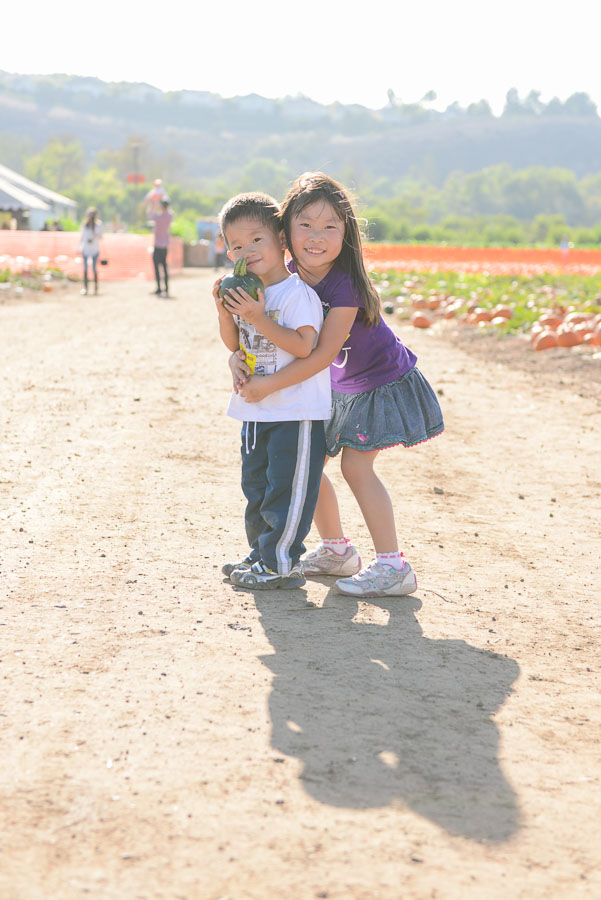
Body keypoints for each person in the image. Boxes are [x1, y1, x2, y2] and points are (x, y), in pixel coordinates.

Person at [231, 172, 444, 598]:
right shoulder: (287, 276)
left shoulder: (343, 285)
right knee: (307, 468)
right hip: (336, 388)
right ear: (284, 231)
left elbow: (321, 354)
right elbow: (262, 330)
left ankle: (392, 566)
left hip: (377, 382)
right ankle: (336, 551)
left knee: (355, 467)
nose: (317, 236)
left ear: (346, 233)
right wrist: (237, 355)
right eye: (305, 225)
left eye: (331, 226)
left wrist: (268, 386)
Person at [214, 191, 331, 590]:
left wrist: (258, 316)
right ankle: (262, 552)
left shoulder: (297, 294)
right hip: (254, 409)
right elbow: (235, 343)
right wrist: (225, 314)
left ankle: (281, 562)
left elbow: (303, 347)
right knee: (257, 486)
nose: (247, 250)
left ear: (281, 241)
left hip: (294, 411)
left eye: (256, 239)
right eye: (237, 245)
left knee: (286, 487)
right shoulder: (245, 292)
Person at [78, 207, 103, 296]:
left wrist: (94, 231)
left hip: (94, 249)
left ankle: (95, 288)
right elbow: (82, 236)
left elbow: (100, 237)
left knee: (94, 269)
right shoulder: (85, 224)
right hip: (85, 249)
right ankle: (85, 288)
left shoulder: (98, 225)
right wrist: (79, 247)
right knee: (85, 269)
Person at [151, 198, 173, 297]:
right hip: (165, 245)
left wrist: (155, 204)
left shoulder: (158, 217)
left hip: (157, 245)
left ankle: (159, 288)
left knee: (157, 267)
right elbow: (171, 213)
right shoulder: (169, 216)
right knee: (164, 267)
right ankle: (167, 288)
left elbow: (150, 214)